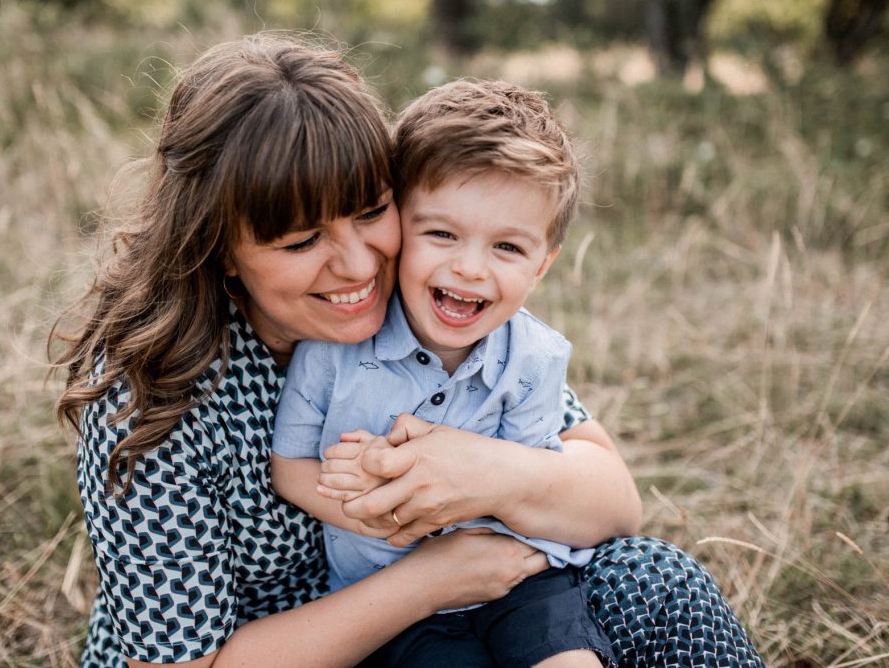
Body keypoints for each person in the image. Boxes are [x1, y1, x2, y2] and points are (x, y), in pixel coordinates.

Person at [51, 33, 765, 667]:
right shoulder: (149, 398)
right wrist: (430, 581)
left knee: (656, 579)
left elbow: (614, 500)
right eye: (303, 242)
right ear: (221, 248)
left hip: (459, 613)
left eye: (370, 213)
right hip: (301, 645)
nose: (359, 265)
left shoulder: (427, 302)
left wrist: (493, 474)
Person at [271, 79, 613, 668]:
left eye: (507, 247)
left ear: (543, 265)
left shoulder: (534, 358)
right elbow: (291, 465)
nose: (471, 268)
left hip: (514, 576)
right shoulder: (335, 348)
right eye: (442, 234)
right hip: (388, 596)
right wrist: (377, 511)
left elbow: (535, 477)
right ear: (399, 226)